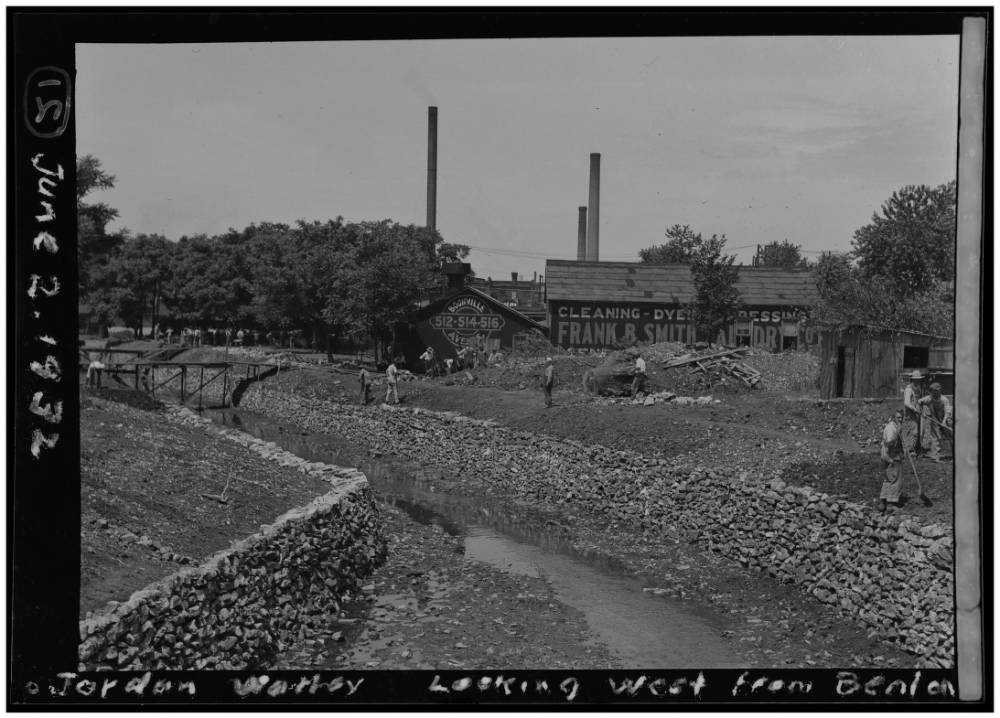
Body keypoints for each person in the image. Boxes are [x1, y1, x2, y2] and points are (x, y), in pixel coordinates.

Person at [879, 410, 905, 512]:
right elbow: (889, 441)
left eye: (901, 417)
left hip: (887, 456)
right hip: (892, 457)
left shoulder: (893, 426)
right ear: (894, 418)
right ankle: (890, 504)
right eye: (898, 417)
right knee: (895, 479)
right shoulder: (891, 428)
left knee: (888, 479)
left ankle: (882, 502)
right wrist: (898, 432)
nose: (900, 419)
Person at [920, 382, 953, 462]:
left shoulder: (944, 399)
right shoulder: (929, 398)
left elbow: (947, 412)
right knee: (935, 437)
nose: (934, 393)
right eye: (932, 391)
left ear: (939, 391)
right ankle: (936, 455)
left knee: (951, 437)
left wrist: (944, 422)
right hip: (935, 420)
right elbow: (919, 402)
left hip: (946, 419)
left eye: (936, 391)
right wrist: (922, 411)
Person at [902, 370, 927, 457]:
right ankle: (910, 451)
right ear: (913, 380)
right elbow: (906, 403)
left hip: (915, 414)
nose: (918, 381)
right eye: (916, 380)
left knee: (916, 432)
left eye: (919, 380)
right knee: (913, 432)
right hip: (910, 414)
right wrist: (915, 409)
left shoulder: (916, 389)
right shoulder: (909, 389)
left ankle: (914, 449)